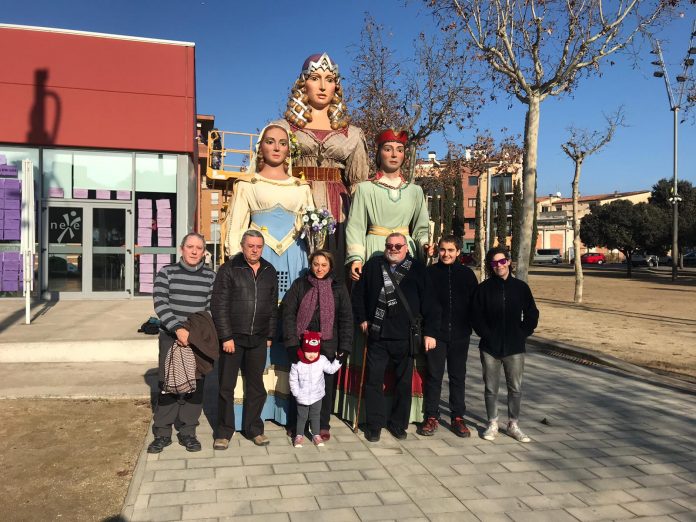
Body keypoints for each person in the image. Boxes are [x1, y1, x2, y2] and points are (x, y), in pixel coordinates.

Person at [340, 129, 432, 426]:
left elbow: (420, 228)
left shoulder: (416, 192)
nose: (394, 154)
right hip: (374, 253)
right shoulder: (365, 190)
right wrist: (356, 256)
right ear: (378, 153)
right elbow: (354, 226)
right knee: (373, 327)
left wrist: (425, 243)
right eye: (388, 149)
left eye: (399, 150)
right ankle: (368, 412)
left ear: (405, 155)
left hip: (405, 257)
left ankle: (403, 415)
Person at [273, 53, 370, 275]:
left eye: (330, 79)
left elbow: (358, 185)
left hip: (338, 210)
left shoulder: (353, 134)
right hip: (295, 204)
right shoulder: (282, 129)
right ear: (303, 83)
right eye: (315, 78)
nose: (323, 86)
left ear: (337, 85)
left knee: (332, 267)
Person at [352, 233, 439, 442]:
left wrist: (431, 333)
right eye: (389, 245)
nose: (393, 249)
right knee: (373, 381)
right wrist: (363, 318)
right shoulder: (373, 265)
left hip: (405, 336)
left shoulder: (417, 268)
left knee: (403, 382)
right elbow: (359, 295)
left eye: (398, 246)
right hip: (377, 334)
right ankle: (374, 425)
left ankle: (398, 424)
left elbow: (431, 303)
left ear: (406, 248)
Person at [224, 123, 313, 298]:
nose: (277, 147)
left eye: (283, 143)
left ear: (289, 149)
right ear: (260, 146)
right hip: (258, 254)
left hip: (295, 255)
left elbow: (311, 229)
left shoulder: (301, 187)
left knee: (293, 308)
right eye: (270, 142)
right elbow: (236, 226)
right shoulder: (247, 184)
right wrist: (238, 262)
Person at [149, 232, 215, 453]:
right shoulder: (166, 273)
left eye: (199, 247)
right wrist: (177, 329)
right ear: (181, 249)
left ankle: (188, 432)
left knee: (194, 385)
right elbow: (161, 303)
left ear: (204, 251)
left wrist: (191, 332)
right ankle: (162, 433)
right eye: (190, 247)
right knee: (168, 384)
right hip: (171, 335)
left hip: (196, 338)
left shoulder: (210, 277)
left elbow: (209, 308)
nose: (195, 251)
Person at [212, 229, 278, 448]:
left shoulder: (269, 270)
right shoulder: (229, 269)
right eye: (250, 246)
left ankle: (254, 429)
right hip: (233, 339)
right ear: (242, 246)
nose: (255, 250)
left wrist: (269, 335)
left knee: (256, 386)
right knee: (226, 387)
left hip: (258, 338)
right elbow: (219, 306)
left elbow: (272, 306)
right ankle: (223, 431)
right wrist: (226, 336)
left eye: (259, 246)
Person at [282, 250, 353, 441]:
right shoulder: (300, 285)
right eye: (316, 264)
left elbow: (346, 318)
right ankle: (296, 424)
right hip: (301, 345)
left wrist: (345, 347)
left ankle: (322, 424)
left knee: (324, 388)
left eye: (324, 265)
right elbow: (288, 314)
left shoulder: (338, 287)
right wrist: (291, 344)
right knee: (299, 384)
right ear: (310, 265)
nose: (319, 268)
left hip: (328, 345)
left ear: (330, 266)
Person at [471, 246, 539, 443]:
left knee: (515, 388)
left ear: (508, 261)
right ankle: (492, 422)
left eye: (502, 261)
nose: (499, 266)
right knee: (491, 388)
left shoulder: (520, 287)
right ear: (490, 265)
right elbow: (475, 316)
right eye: (494, 263)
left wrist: (523, 332)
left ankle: (513, 424)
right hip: (490, 347)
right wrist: (486, 334)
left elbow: (532, 313)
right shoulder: (483, 288)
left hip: (514, 347)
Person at [417, 235, 478, 437]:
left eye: (451, 250)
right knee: (434, 376)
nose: (446, 254)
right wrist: (428, 333)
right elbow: (424, 306)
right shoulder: (429, 273)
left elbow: (474, 305)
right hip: (436, 335)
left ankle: (457, 417)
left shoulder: (467, 275)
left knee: (457, 376)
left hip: (460, 335)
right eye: (443, 250)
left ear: (458, 252)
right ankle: (431, 416)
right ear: (438, 250)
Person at [288, 332, 342, 448]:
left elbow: (330, 369)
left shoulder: (321, 360)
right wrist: (296, 392)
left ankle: (316, 435)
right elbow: (293, 379)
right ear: (303, 349)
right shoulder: (297, 362)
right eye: (308, 351)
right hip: (302, 396)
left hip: (317, 395)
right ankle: (299, 435)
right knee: (301, 417)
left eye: (314, 351)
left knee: (315, 415)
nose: (312, 355)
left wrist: (338, 361)